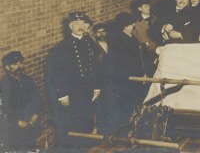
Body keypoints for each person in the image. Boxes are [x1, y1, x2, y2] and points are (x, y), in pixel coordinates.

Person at [45, 12, 102, 148]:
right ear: (70, 26)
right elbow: (56, 73)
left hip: (87, 90)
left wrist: (96, 87)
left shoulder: (90, 43)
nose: (80, 26)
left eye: (82, 23)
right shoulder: (62, 47)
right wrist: (62, 94)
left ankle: (85, 147)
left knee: (87, 120)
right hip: (72, 92)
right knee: (72, 124)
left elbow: (96, 66)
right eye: (76, 24)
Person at [105, 12, 151, 134]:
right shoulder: (118, 40)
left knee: (136, 103)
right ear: (124, 26)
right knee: (127, 105)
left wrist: (144, 73)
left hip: (137, 78)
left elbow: (138, 57)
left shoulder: (131, 37)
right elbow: (123, 62)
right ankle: (125, 130)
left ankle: (133, 127)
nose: (133, 26)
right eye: (131, 24)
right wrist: (136, 74)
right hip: (127, 80)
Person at [0, 51, 42, 151]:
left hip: (32, 122)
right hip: (14, 126)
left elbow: (37, 99)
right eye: (15, 64)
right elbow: (4, 108)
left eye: (21, 63)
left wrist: (34, 116)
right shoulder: (3, 85)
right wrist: (18, 122)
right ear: (7, 67)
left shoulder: (28, 80)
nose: (20, 66)